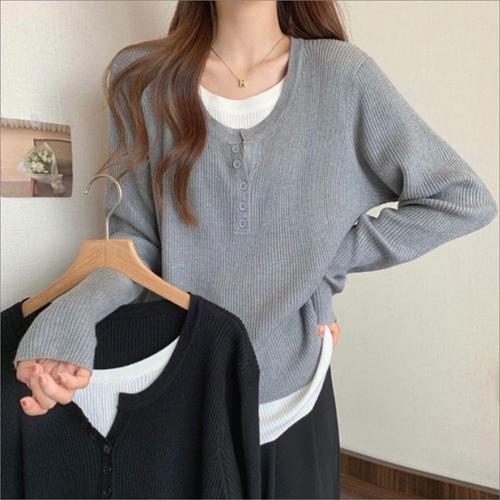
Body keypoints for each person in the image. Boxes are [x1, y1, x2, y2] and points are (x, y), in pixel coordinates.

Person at [12, 1, 498, 498]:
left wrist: (322, 264)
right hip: (183, 387)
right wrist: (72, 315)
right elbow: (134, 249)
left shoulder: (343, 77)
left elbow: (461, 199)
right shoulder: (139, 77)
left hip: (294, 390)